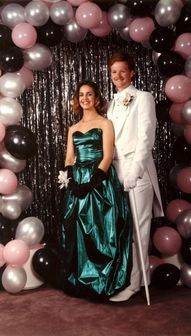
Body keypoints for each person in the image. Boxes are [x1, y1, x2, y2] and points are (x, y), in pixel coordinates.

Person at [58, 80, 132, 299]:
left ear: (96, 98)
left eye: (89, 94)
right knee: (78, 231)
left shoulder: (105, 123)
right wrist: (72, 182)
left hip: (98, 180)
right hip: (78, 180)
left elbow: (108, 156)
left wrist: (91, 183)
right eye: (81, 95)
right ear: (77, 99)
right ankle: (80, 279)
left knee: (100, 229)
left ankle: (101, 280)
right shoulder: (73, 128)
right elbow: (69, 158)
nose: (85, 98)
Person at [107, 51, 164, 302]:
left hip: (137, 171)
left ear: (132, 73)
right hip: (115, 170)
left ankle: (135, 285)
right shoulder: (110, 103)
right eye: (113, 72)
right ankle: (136, 279)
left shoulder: (144, 98)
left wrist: (135, 171)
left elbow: (145, 138)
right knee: (121, 230)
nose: (118, 76)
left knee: (138, 230)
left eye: (122, 71)